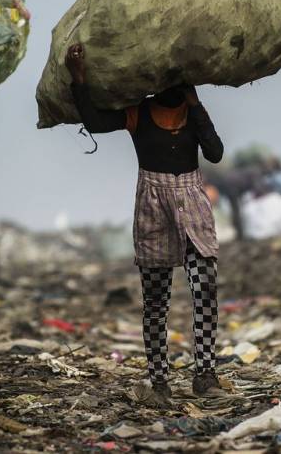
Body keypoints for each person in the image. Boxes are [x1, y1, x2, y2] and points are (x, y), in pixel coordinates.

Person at [65, 43, 226, 406]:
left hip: (193, 205)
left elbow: (214, 152)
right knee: (156, 300)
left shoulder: (193, 113)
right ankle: (159, 381)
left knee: (205, 289)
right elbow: (95, 122)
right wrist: (79, 80)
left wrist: (197, 105)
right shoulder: (138, 113)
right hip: (153, 208)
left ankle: (205, 373)